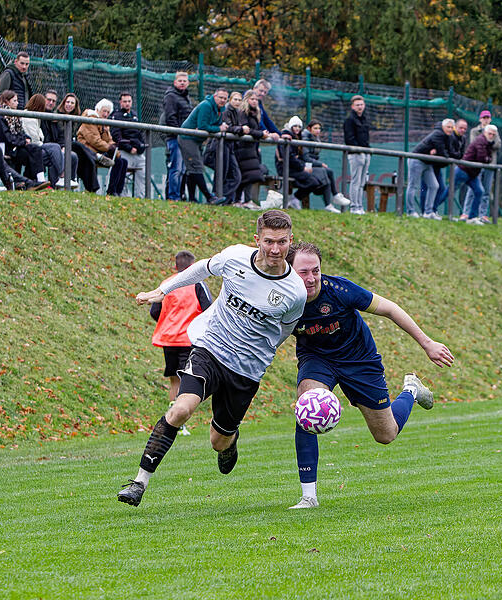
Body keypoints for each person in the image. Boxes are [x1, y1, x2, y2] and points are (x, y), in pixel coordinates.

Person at [117, 210, 307, 507]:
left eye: (282, 242)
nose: (274, 249)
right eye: (269, 241)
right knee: (181, 409)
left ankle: (230, 444)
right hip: (210, 349)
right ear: (257, 239)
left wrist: (261, 354)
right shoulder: (235, 258)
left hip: (246, 369)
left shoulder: (294, 291)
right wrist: (162, 290)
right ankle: (139, 483)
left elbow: (284, 330)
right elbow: (200, 270)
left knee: (218, 440)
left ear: (290, 241)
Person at [286, 241, 454, 508]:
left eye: (315, 271)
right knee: (307, 406)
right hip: (317, 359)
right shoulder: (282, 298)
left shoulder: (340, 290)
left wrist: (427, 343)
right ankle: (309, 496)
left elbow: (390, 309)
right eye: (303, 272)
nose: (310, 278)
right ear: (288, 270)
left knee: (386, 434)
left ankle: (410, 389)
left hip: (359, 360)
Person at [149, 250, 213, 435]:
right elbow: (209, 310)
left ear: (175, 266)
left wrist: (168, 324)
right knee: (187, 380)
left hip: (168, 339)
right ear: (193, 267)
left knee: (174, 380)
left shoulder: (166, 283)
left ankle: (172, 417)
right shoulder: (197, 284)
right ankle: (179, 422)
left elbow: (155, 310)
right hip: (188, 338)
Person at [178, 88, 229, 204]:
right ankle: (209, 197)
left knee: (192, 169)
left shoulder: (220, 110)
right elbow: (203, 126)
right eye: (220, 97)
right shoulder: (206, 106)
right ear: (215, 96)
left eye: (225, 98)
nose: (222, 100)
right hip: (187, 138)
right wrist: (218, 129)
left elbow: (213, 125)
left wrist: (221, 126)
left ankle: (191, 198)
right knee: (197, 167)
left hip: (197, 140)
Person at [0, 90, 46, 184]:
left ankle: (39, 180)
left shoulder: (15, 117)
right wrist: (23, 141)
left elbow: (20, 132)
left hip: (15, 146)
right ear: (7, 101)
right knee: (29, 154)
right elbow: (7, 137)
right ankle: (29, 182)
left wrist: (26, 138)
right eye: (14, 101)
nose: (17, 103)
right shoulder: (0, 117)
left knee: (35, 149)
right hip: (5, 148)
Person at [23, 93, 77, 188]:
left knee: (71, 155)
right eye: (48, 100)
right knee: (55, 148)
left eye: (54, 101)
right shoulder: (30, 117)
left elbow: (59, 136)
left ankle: (63, 182)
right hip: (35, 147)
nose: (50, 103)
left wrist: (63, 146)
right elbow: (36, 140)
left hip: (42, 146)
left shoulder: (49, 117)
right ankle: (62, 176)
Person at [275, 116, 330, 209]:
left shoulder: (298, 138)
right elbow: (289, 157)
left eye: (299, 127)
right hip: (286, 169)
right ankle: (292, 199)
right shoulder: (286, 137)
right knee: (312, 181)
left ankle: (295, 199)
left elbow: (299, 157)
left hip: (295, 168)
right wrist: (302, 167)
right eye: (295, 126)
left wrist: (303, 166)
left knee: (315, 181)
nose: (297, 128)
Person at [78, 98, 129, 196]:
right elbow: (94, 140)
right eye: (104, 111)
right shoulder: (90, 119)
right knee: (117, 161)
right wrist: (110, 148)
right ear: (97, 110)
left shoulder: (104, 123)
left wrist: (114, 149)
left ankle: (117, 191)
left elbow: (108, 140)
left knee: (122, 161)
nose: (106, 114)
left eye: (108, 112)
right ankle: (111, 191)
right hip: (89, 150)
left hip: (99, 150)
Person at [406, 119, 454, 219]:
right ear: (443, 127)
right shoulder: (438, 134)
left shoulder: (448, 137)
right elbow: (443, 152)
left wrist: (443, 152)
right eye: (448, 127)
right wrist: (442, 152)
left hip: (427, 163)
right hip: (417, 160)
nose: (450, 129)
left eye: (451, 127)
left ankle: (428, 212)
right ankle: (410, 211)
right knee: (413, 185)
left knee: (434, 186)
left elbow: (449, 151)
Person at [54, 92, 101, 194]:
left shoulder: (75, 119)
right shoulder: (56, 116)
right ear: (63, 103)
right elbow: (55, 136)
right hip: (60, 145)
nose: (69, 105)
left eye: (72, 103)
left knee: (88, 159)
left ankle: (92, 189)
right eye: (68, 102)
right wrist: (61, 147)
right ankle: (96, 156)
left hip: (70, 145)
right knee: (79, 147)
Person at [301, 120, 350, 213]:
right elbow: (306, 157)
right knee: (327, 172)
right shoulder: (305, 139)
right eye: (315, 128)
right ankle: (333, 197)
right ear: (309, 129)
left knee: (327, 174)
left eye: (319, 128)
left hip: (313, 164)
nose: (318, 131)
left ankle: (330, 202)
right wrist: (319, 164)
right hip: (305, 165)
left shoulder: (316, 138)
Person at [461, 110, 500, 224]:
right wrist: (488, 141)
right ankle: (466, 213)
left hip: (490, 164)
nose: (486, 120)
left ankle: (483, 214)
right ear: (480, 119)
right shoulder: (474, 131)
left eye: (488, 118)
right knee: (472, 189)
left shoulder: (494, 131)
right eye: (484, 118)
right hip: (476, 164)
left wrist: (488, 140)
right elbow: (475, 143)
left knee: (486, 190)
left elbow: (498, 144)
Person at [232, 89, 268, 208]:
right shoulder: (243, 112)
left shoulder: (256, 113)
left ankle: (247, 200)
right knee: (243, 176)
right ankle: (238, 200)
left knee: (250, 176)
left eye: (256, 100)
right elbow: (246, 130)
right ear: (246, 100)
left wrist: (262, 132)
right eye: (252, 99)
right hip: (242, 148)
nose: (254, 101)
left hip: (251, 149)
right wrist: (261, 134)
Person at [163, 72, 193, 201]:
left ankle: (179, 195)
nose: (182, 83)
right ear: (175, 82)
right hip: (175, 138)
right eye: (180, 80)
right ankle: (173, 196)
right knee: (176, 168)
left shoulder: (187, 98)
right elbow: (170, 117)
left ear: (188, 83)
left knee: (182, 170)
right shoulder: (171, 96)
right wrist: (180, 132)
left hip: (185, 138)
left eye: (184, 81)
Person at [110, 91, 146, 197]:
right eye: (124, 101)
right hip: (124, 151)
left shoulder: (135, 116)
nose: (127, 103)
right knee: (123, 174)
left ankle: (141, 198)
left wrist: (140, 148)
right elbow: (116, 136)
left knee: (143, 175)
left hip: (138, 152)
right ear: (120, 102)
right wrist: (129, 148)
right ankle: (123, 197)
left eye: (129, 101)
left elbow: (140, 134)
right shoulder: (116, 116)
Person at [343, 95, 371, 215]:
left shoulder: (364, 119)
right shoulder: (349, 120)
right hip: (355, 154)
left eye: (361, 104)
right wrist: (359, 150)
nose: (360, 107)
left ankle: (360, 205)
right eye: (357, 105)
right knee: (356, 180)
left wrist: (367, 151)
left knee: (362, 182)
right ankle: (354, 206)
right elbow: (349, 138)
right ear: (353, 106)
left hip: (366, 154)